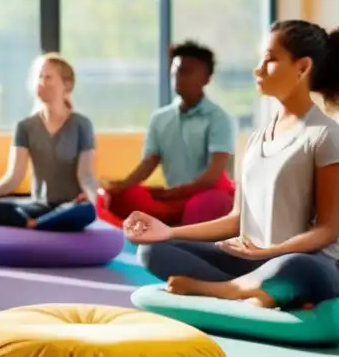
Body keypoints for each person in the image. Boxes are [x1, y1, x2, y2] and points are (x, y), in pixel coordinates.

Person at [126, 19, 339, 310]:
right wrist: (168, 231)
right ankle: (262, 292)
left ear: (302, 67)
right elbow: (238, 220)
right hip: (256, 263)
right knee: (153, 252)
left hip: (316, 267)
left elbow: (327, 231)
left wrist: (270, 251)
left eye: (269, 60)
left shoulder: (327, 138)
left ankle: (226, 290)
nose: (257, 69)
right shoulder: (255, 141)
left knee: (296, 266)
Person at [101, 41, 237, 226]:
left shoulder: (218, 119)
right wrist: (119, 187)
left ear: (206, 78)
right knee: (121, 196)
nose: (179, 78)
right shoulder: (160, 118)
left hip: (206, 196)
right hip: (173, 197)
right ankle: (171, 224)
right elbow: (149, 163)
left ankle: (178, 228)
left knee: (207, 204)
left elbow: (213, 176)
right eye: (176, 71)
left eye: (188, 71)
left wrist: (175, 192)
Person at [0, 53, 98, 231]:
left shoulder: (82, 124)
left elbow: (86, 176)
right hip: (38, 206)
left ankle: (34, 224)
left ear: (67, 85)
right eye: (39, 76)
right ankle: (39, 223)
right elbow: (13, 177)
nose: (41, 82)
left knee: (86, 211)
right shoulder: (24, 126)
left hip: (70, 206)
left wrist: (98, 202)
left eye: (48, 77)